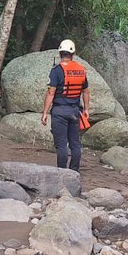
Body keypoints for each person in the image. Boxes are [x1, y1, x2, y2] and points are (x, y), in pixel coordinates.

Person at [41, 39, 90, 171]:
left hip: (59, 112)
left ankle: (62, 172)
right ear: (73, 53)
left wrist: (45, 112)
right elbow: (85, 91)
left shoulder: (56, 70)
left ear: (60, 53)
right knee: (75, 144)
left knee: (62, 145)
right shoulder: (81, 70)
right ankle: (74, 171)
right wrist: (86, 109)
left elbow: (51, 93)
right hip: (75, 112)